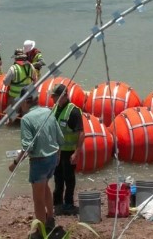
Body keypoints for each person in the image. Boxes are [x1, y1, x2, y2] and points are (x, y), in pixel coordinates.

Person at [8, 87, 64, 239]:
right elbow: (60, 137)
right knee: (45, 187)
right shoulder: (48, 111)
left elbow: (28, 147)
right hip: (53, 158)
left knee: (38, 199)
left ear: (26, 101)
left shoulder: (26, 119)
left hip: (39, 161)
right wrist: (57, 153)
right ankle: (50, 218)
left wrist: (14, 163)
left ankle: (41, 230)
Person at [51, 84, 85, 216]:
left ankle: (69, 203)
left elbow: (81, 133)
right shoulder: (55, 108)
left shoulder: (74, 111)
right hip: (57, 151)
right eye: (53, 96)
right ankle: (57, 202)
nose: (53, 99)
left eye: (56, 96)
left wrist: (77, 152)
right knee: (57, 177)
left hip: (69, 151)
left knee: (69, 179)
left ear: (64, 96)